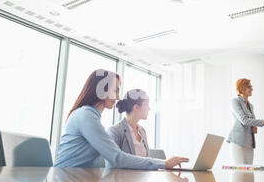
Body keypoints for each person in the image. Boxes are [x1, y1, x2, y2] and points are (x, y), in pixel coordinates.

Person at [54, 69, 188, 169]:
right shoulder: (86, 116)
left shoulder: (91, 116)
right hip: (67, 180)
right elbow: (117, 158)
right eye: (115, 91)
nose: (118, 97)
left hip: (82, 181)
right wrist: (164, 163)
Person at [227, 78, 264, 165]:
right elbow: (244, 121)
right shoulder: (235, 101)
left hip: (249, 143)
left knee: (249, 171)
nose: (252, 89)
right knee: (240, 172)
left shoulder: (250, 105)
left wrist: (254, 127)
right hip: (238, 142)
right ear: (242, 88)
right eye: (249, 87)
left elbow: (252, 121)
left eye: (251, 86)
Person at [108, 89, 151, 157]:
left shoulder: (142, 131)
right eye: (147, 104)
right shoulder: (115, 131)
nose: (149, 108)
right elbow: (113, 161)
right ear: (136, 107)